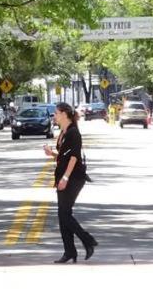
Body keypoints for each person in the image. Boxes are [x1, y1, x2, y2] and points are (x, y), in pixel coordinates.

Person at [43, 102, 97, 264]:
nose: (54, 116)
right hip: (63, 176)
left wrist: (65, 178)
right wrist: (52, 153)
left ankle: (88, 241)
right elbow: (63, 156)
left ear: (64, 114)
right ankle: (70, 251)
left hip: (73, 178)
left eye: (56, 113)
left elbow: (74, 157)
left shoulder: (74, 132)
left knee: (64, 214)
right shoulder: (63, 132)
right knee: (63, 215)